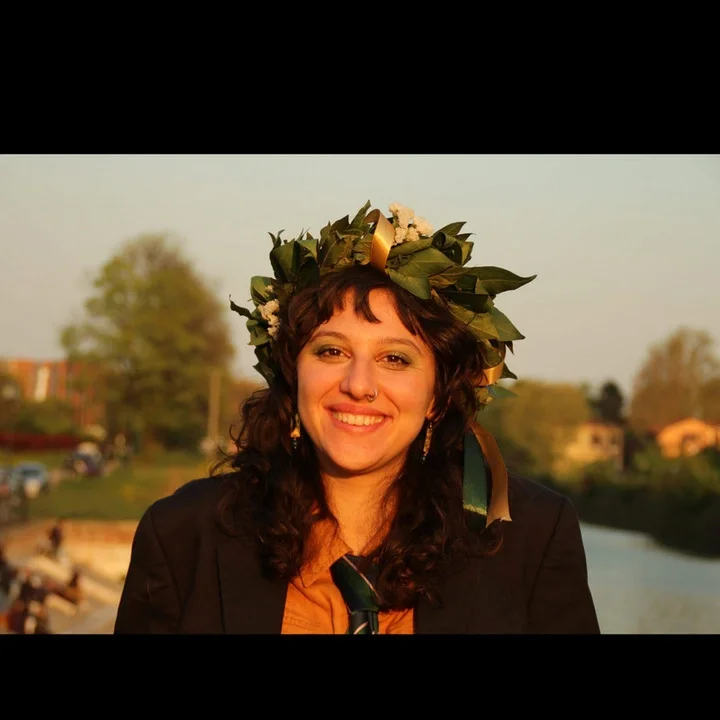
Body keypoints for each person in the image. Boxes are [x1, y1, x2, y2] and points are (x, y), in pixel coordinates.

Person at [115, 201, 600, 634]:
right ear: (293, 373)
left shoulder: (531, 537)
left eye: (395, 359)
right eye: (332, 351)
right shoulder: (182, 534)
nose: (359, 384)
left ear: (437, 396)